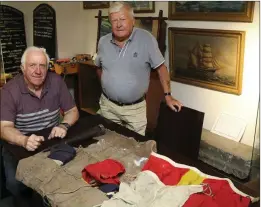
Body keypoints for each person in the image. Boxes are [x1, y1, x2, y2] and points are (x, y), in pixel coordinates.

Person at [0, 46, 79, 206]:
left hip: (50, 143)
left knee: (57, 183)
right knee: (17, 187)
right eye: (32, 65)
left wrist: (63, 126)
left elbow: (73, 111)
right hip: (19, 148)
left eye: (42, 65)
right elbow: (4, 128)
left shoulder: (56, 81)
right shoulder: (9, 91)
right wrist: (23, 140)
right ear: (22, 68)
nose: (38, 71)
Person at [95, 2, 183, 136]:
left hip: (134, 110)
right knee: (107, 145)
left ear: (133, 21)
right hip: (108, 107)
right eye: (114, 20)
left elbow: (161, 69)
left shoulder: (146, 39)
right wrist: (109, 87)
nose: (118, 24)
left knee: (135, 149)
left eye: (123, 19)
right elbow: (99, 68)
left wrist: (168, 96)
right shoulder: (103, 42)